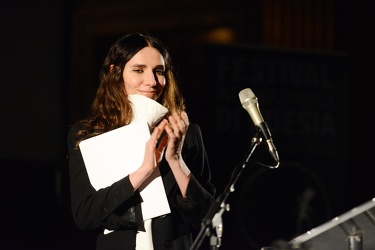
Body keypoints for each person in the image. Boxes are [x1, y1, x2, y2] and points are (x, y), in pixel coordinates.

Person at [67, 32, 216, 250]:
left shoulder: (186, 132)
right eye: (138, 70)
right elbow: (85, 215)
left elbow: (208, 219)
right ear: (115, 73)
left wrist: (176, 161)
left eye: (159, 72)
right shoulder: (89, 135)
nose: (152, 82)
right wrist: (143, 171)